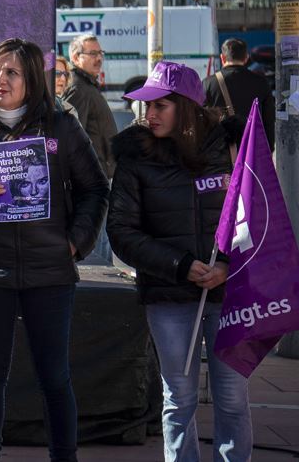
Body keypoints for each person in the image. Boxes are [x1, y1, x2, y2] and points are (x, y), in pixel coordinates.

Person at [0, 38, 109, 462]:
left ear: (30, 79)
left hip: (50, 271)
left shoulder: (61, 125)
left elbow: (96, 189)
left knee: (54, 376)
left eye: (10, 72)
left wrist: (76, 241)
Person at [107, 61, 249, 462]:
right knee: (179, 398)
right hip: (167, 295)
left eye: (160, 105)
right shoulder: (134, 157)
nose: (148, 114)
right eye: (146, 106)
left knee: (233, 396)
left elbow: (255, 218)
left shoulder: (232, 147)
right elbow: (121, 232)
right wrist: (180, 264)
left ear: (187, 106)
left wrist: (226, 266)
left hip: (228, 295)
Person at [62, 33, 116, 264]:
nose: (98, 58)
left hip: (101, 175)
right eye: (92, 54)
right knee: (97, 246)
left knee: (102, 241)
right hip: (93, 180)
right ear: (75, 57)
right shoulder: (79, 88)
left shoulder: (87, 85)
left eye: (100, 53)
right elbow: (75, 137)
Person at [203, 37, 275, 150]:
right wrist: (268, 149)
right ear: (246, 58)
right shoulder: (261, 83)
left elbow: (202, 121)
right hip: (251, 153)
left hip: (220, 153)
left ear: (222, 58)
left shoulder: (209, 83)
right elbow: (268, 121)